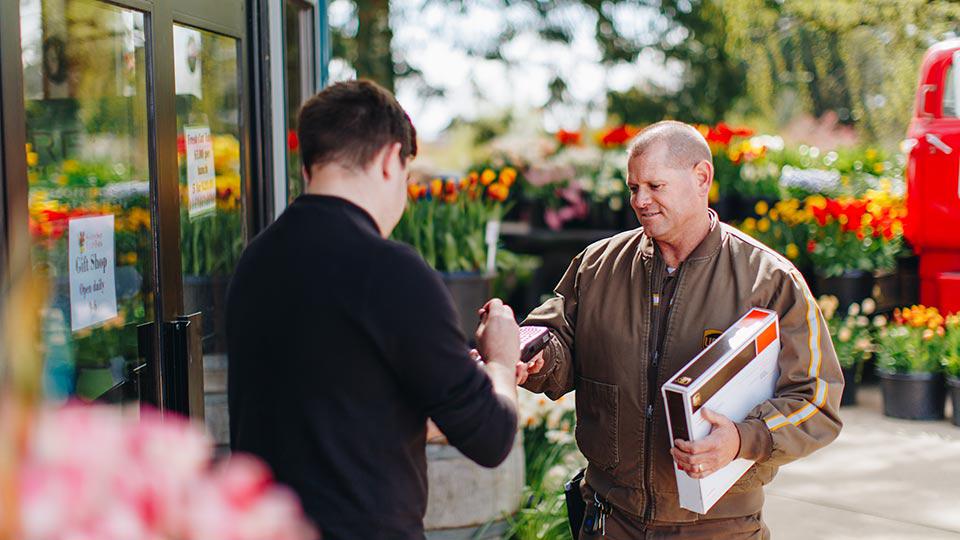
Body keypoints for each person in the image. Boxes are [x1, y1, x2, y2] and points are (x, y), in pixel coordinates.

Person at [517, 121, 843, 539]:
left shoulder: (770, 280)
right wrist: (536, 356)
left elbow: (816, 399)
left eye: (655, 185)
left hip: (721, 528)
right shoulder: (596, 266)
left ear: (702, 177)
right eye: (634, 188)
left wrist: (744, 439)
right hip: (609, 520)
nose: (640, 201)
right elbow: (557, 340)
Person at [226, 80, 520, 539]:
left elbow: (332, 411)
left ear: (308, 166)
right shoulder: (391, 270)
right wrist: (501, 359)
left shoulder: (255, 260)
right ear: (390, 159)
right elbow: (492, 437)